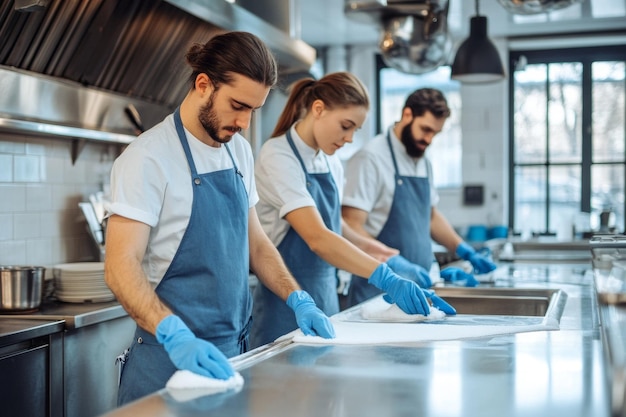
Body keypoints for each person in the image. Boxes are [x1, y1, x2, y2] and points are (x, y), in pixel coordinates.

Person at [104, 31, 335, 405]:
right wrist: (173, 334)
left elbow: (257, 244)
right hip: (168, 363)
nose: (244, 122)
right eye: (237, 105)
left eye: (253, 110)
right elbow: (119, 266)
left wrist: (299, 298)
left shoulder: (238, 152)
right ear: (203, 84)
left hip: (234, 358)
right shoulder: (147, 158)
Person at [250, 73, 456, 348]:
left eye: (355, 130)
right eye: (345, 126)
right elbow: (318, 237)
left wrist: (382, 254)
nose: (348, 139)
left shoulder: (330, 162)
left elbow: (336, 226)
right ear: (319, 109)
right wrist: (385, 277)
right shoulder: (278, 156)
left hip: (327, 298)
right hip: (287, 303)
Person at [341, 88, 497, 307]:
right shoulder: (371, 158)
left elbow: (430, 216)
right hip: (379, 291)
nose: (429, 139)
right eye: (425, 129)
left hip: (420, 288)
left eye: (435, 133)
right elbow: (350, 225)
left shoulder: (423, 161)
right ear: (407, 115)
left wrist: (464, 249)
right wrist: (392, 262)